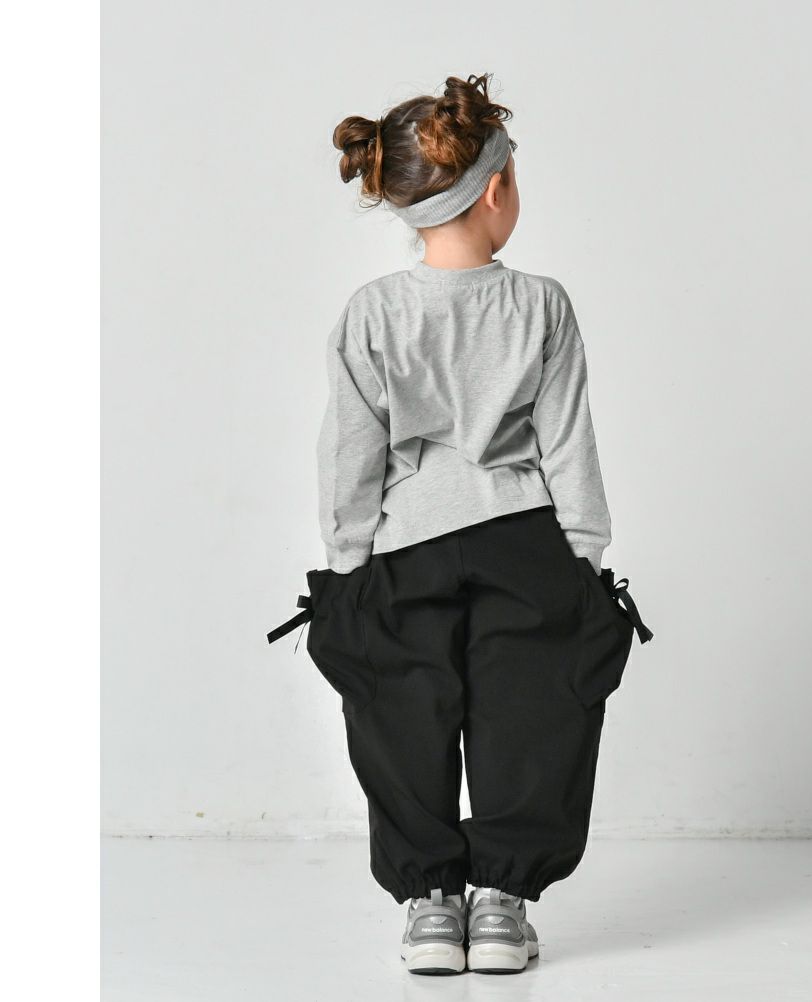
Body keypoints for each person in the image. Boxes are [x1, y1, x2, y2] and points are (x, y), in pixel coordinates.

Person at [268, 71, 652, 976]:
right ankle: (503, 906)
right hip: (525, 539)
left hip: (404, 546)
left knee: (403, 715)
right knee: (532, 714)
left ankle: (431, 908)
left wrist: (347, 561)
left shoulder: (374, 312)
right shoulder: (542, 304)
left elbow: (351, 450)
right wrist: (584, 555)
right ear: (496, 187)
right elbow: (567, 440)